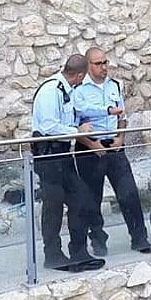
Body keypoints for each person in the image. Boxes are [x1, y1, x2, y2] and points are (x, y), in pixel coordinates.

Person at [72, 47, 151, 256]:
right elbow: (75, 123)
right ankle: (98, 239)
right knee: (92, 198)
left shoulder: (114, 86)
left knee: (129, 193)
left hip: (114, 145)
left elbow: (122, 116)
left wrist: (121, 137)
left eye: (105, 62)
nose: (103, 67)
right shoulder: (78, 90)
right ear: (88, 66)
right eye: (98, 64)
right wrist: (91, 144)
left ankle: (139, 237)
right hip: (90, 147)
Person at [31, 54, 104, 272]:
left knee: (80, 199)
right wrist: (77, 131)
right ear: (80, 75)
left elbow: (77, 113)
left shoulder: (67, 92)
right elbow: (48, 126)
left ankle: (78, 251)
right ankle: (52, 255)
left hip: (63, 153)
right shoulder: (50, 91)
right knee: (53, 207)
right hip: (49, 155)